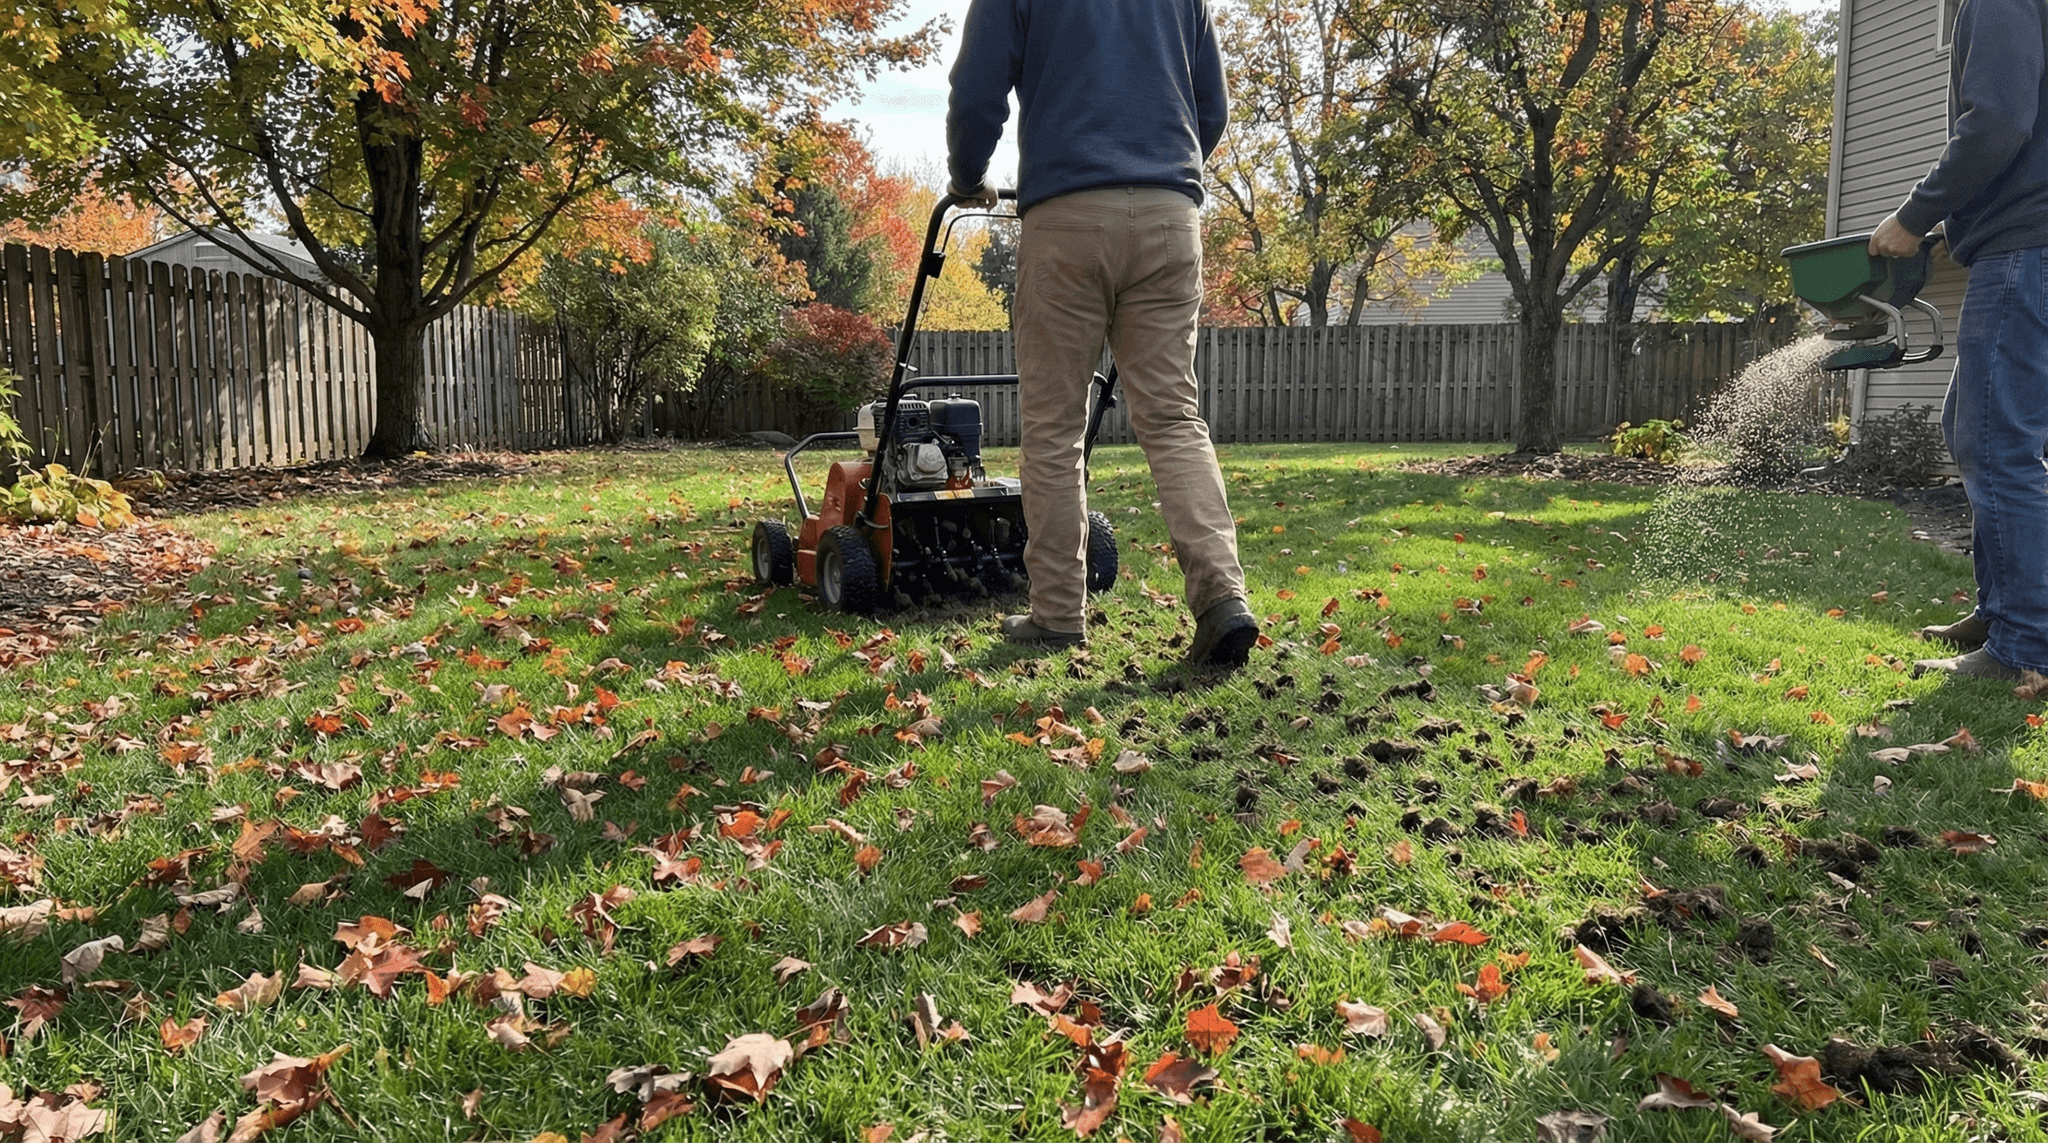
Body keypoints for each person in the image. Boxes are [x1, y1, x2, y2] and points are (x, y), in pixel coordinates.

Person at [946, 0, 1258, 669]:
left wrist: (968, 176)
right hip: (1171, 216)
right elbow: (1213, 107)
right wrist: (1160, 173)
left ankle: (1058, 613)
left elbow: (977, 93)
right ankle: (1222, 596)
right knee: (1174, 418)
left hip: (1066, 214)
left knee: (1055, 424)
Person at [1875, 0, 2048, 681]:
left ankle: (2024, 649)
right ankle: (2006, 608)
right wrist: (1959, 225)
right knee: (1972, 425)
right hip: (2026, 241)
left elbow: (1999, 123)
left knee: (1999, 443)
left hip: (2025, 252)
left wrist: (1916, 215)